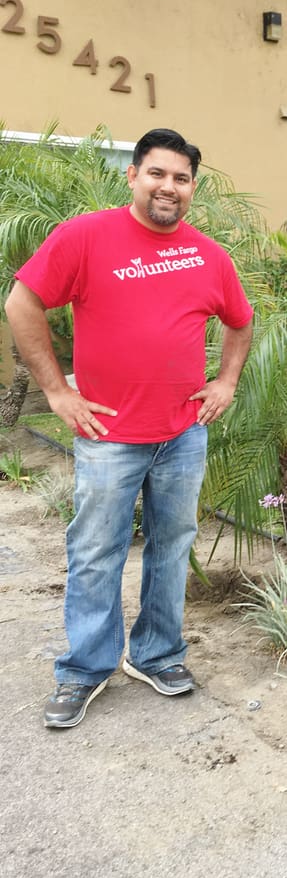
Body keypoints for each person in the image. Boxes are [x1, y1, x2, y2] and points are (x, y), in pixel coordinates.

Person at [5, 128, 253, 729]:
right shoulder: (87, 237)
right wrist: (57, 390)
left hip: (182, 434)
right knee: (96, 552)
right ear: (133, 176)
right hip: (110, 435)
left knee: (171, 547)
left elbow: (241, 322)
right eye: (158, 174)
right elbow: (22, 302)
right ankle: (85, 670)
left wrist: (225, 383)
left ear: (192, 187)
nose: (169, 187)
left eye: (181, 178)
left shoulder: (208, 255)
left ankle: (157, 654)